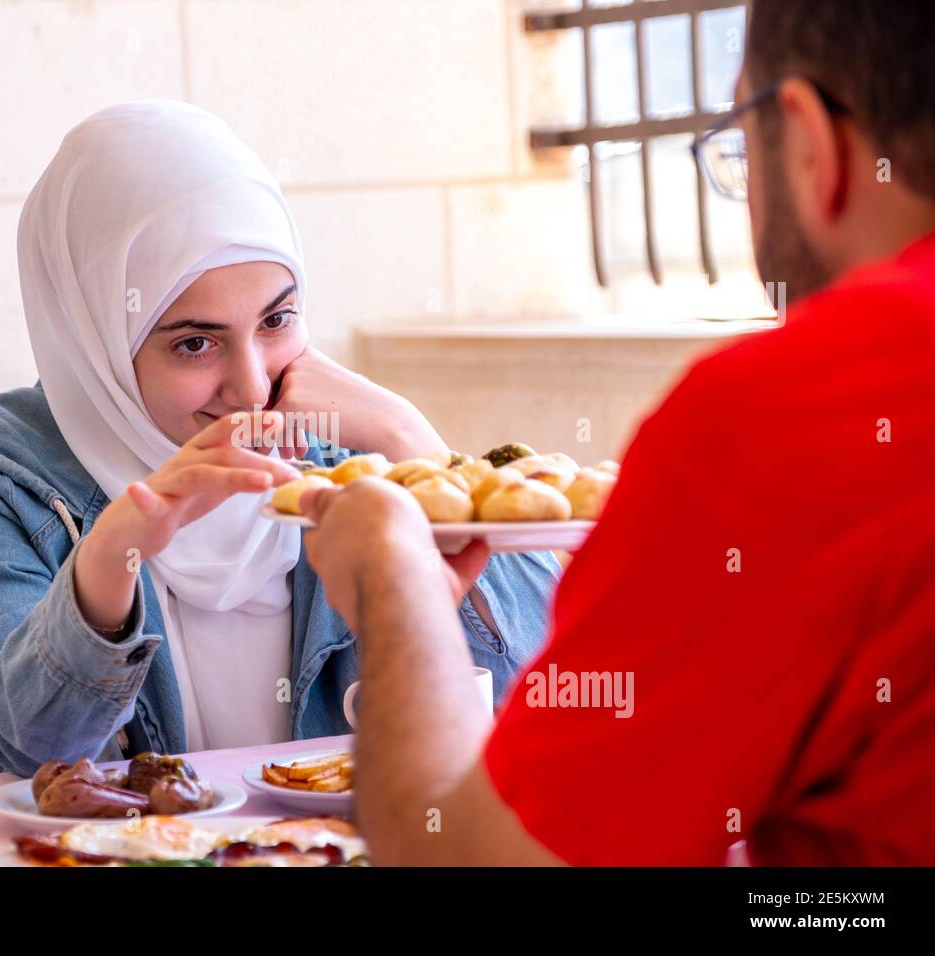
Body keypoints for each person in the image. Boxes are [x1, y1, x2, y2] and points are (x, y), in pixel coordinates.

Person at [298, 0, 935, 865]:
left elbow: (470, 858)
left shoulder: (790, 411)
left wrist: (392, 570)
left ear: (808, 137)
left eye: (741, 142)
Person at [0, 100, 561, 777]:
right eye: (195, 343)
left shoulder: (346, 451)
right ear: (96, 342)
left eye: (277, 318)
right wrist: (114, 551)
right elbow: (23, 755)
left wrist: (407, 434)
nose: (254, 388)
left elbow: (536, 685)